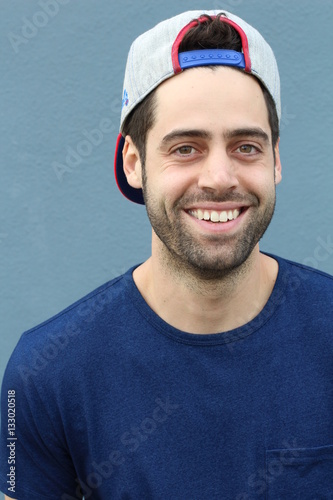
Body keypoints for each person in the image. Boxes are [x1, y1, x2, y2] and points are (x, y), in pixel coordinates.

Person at [1, 9, 332, 500]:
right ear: (133, 162)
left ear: (276, 160)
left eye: (246, 146)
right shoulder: (45, 373)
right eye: (185, 148)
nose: (219, 178)